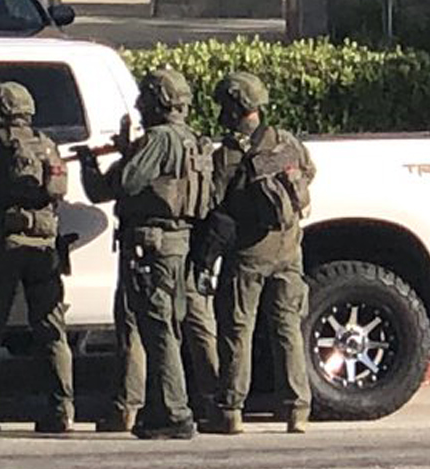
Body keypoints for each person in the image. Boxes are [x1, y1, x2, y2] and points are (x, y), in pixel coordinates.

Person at [78, 68, 213, 440]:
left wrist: (101, 162)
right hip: (179, 242)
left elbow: (123, 183)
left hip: (151, 245)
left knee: (156, 329)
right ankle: (164, 407)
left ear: (158, 101)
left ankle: (173, 412)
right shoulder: (192, 140)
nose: (139, 106)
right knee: (170, 326)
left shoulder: (159, 139)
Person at [0, 82, 74, 435]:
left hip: (4, 247)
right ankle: (62, 410)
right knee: (52, 331)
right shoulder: (47, 145)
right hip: (46, 247)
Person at [204, 71, 316, 435]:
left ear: (236, 107)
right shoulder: (287, 142)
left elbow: (215, 201)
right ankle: (297, 410)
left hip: (249, 253)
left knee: (238, 329)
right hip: (289, 248)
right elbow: (309, 173)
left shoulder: (230, 154)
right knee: (288, 328)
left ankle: (230, 410)